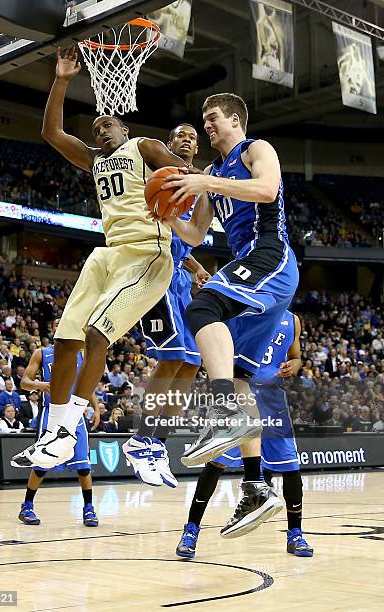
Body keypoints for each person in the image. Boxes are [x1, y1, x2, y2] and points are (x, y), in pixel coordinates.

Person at [11, 46, 190, 475]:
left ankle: (69, 428)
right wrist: (61, 79)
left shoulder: (143, 147)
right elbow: (52, 133)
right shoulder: (94, 161)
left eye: (107, 124)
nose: (100, 131)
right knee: (65, 338)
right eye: (95, 128)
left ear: (124, 127)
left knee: (97, 333)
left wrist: (181, 183)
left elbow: (187, 175)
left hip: (147, 252)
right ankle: (55, 436)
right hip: (107, 253)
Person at [157, 93, 299, 533]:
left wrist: (205, 183)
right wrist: (162, 214)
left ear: (235, 120)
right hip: (254, 270)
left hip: (270, 255)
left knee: (203, 306)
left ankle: (222, 414)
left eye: (213, 118)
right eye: (205, 120)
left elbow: (267, 190)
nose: (207, 126)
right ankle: (255, 488)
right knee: (239, 375)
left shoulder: (256, 149)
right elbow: (197, 234)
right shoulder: (213, 175)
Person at [176, 312, 313, 554]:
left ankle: (295, 535)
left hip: (273, 398)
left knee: (290, 467)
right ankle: (191, 530)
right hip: (240, 392)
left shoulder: (293, 320)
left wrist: (295, 365)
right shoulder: (244, 312)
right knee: (215, 463)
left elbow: (296, 356)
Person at [124, 123, 210, 487]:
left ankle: (158, 445)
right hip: (155, 273)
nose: (188, 139)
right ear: (170, 144)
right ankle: (140, 438)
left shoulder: (198, 183)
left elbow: (184, 240)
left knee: (191, 365)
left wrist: (197, 266)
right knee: (172, 357)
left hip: (178, 278)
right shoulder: (159, 174)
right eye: (180, 135)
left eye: (193, 136)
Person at [16, 320, 100, 527]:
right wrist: (41, 385)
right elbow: (24, 382)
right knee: (42, 463)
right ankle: (27, 506)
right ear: (54, 330)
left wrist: (96, 408)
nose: (61, 326)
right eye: (56, 324)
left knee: (83, 465)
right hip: (51, 413)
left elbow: (87, 384)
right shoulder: (42, 353)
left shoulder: (81, 354)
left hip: (75, 415)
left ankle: (88, 508)